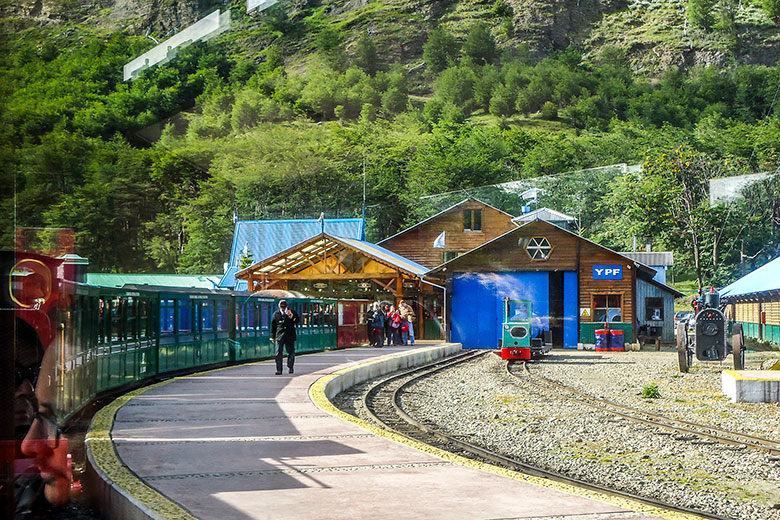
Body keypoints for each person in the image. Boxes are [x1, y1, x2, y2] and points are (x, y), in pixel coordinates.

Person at [271, 300, 300, 375]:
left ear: (287, 307)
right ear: (279, 307)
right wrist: (272, 337)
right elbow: (273, 326)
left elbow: (297, 321)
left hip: (290, 336)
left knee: (290, 352)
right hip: (279, 336)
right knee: (278, 353)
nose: (283, 309)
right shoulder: (276, 314)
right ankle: (279, 370)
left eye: (284, 307)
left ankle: (290, 366)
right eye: (281, 307)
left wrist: (291, 316)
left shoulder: (292, 312)